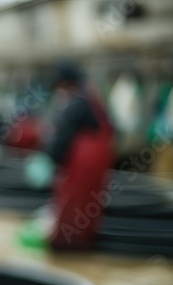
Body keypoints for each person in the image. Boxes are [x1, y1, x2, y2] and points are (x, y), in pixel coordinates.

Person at [43, 61, 115, 250]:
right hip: (98, 163)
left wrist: (51, 159)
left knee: (73, 207)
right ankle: (83, 245)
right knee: (88, 207)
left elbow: (62, 139)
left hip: (83, 165)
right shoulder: (93, 97)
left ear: (65, 83)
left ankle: (67, 248)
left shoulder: (76, 102)